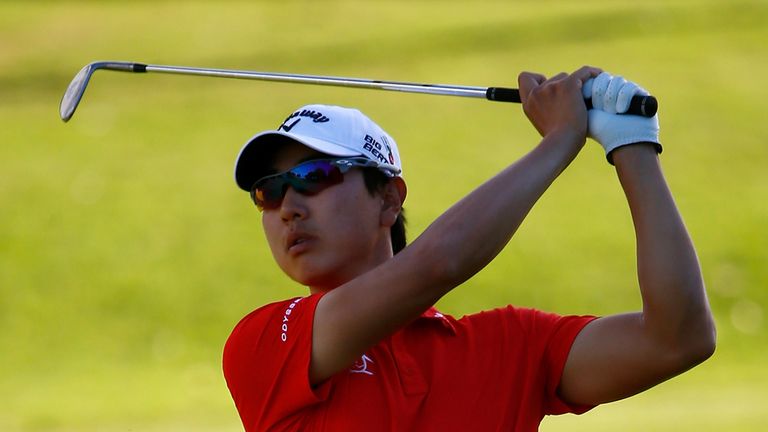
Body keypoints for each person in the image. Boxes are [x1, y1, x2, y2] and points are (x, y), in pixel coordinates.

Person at [223, 66, 716, 431]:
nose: (288, 207)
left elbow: (678, 338)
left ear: (389, 200)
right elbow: (438, 264)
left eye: (313, 177)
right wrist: (559, 141)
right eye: (269, 191)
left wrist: (631, 144)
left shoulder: (509, 345)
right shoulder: (264, 343)